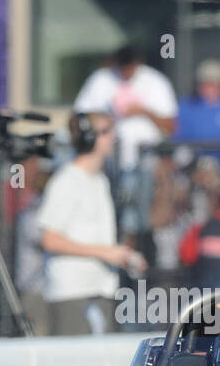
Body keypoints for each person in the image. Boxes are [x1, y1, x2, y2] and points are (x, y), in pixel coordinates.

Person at [36, 111, 145, 335]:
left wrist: (122, 255)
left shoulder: (100, 180)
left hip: (99, 289)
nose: (112, 137)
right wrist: (104, 253)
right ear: (88, 138)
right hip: (73, 293)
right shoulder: (67, 180)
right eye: (106, 132)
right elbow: (49, 239)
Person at [74, 45, 178, 234]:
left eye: (130, 68)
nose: (126, 73)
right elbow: (79, 118)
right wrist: (108, 115)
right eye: (122, 68)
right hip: (107, 160)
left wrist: (144, 111)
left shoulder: (155, 81)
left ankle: (135, 241)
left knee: (137, 211)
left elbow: (171, 125)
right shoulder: (101, 80)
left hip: (146, 159)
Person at [175, 59, 220, 164]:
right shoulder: (187, 106)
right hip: (191, 162)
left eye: (216, 84)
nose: (211, 89)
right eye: (208, 84)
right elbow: (179, 138)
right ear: (199, 86)